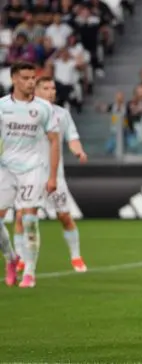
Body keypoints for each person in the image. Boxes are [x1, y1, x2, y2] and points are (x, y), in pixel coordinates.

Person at [13, 76, 88, 275]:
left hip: (55, 177)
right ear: (35, 91)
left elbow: (72, 138)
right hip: (28, 175)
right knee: (22, 217)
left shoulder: (62, 115)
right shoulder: (23, 113)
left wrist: (78, 151)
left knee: (64, 216)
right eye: (46, 88)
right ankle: (21, 259)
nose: (51, 92)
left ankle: (76, 256)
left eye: (53, 88)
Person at [0, 62, 59, 288]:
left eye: (33, 78)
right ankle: (11, 258)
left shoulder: (44, 108)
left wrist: (52, 176)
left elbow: (54, 142)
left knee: (29, 219)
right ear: (14, 79)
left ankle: (30, 273)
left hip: (33, 169)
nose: (31, 82)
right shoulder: (2, 106)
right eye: (25, 78)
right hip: (6, 169)